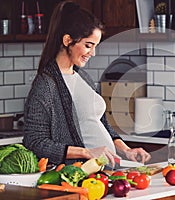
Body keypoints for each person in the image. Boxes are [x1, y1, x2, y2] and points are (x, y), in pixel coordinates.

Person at [23, 1, 151, 167]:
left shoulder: (83, 77)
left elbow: (99, 123)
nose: (93, 53)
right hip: (78, 176)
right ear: (67, 40)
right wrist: (85, 152)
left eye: (95, 46)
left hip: (106, 174)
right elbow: (34, 142)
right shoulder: (46, 85)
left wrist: (126, 150)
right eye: (88, 46)